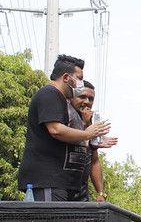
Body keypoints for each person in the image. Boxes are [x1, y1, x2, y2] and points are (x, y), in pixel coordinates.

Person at [17, 54, 110, 201]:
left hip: (62, 184)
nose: (80, 83)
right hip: (47, 181)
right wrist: (87, 133)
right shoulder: (49, 93)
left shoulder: (60, 99)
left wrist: (92, 141)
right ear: (66, 77)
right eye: (79, 78)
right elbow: (56, 130)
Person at [67, 81, 117, 201]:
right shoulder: (65, 116)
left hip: (81, 193)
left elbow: (94, 161)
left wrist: (101, 193)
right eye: (82, 97)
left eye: (91, 99)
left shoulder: (91, 124)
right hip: (62, 190)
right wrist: (85, 127)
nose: (87, 102)